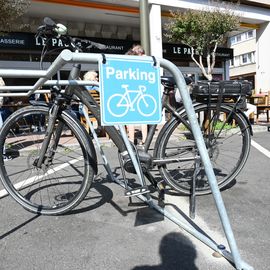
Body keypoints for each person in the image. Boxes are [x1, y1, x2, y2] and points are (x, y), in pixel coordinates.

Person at [126, 45, 148, 146]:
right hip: (143, 89)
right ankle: (145, 140)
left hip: (132, 87)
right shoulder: (147, 60)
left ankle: (131, 139)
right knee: (143, 117)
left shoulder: (132, 61)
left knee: (131, 117)